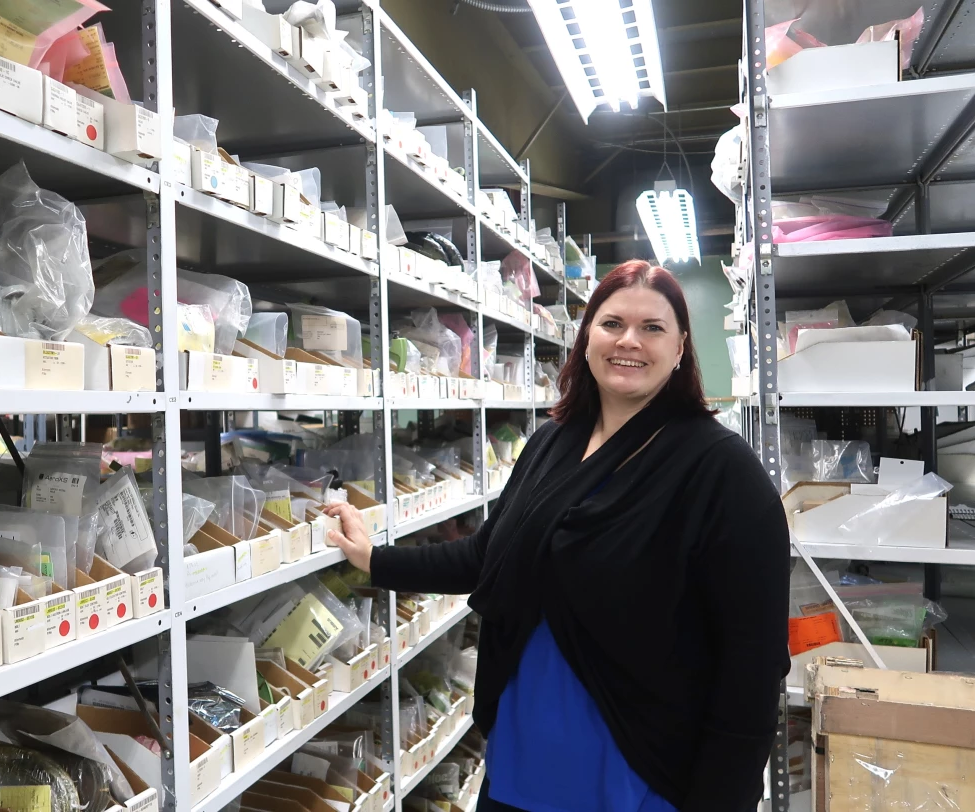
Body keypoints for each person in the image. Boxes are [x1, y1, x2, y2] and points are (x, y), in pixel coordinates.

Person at [326, 260, 791, 812]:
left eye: (653, 328)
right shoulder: (551, 443)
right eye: (613, 324)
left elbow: (753, 665)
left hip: (633, 772)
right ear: (587, 334)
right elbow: (487, 555)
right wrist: (375, 560)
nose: (629, 342)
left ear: (682, 346)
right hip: (521, 761)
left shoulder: (720, 471)